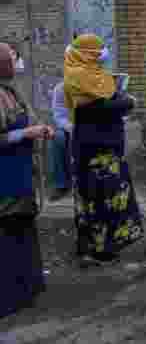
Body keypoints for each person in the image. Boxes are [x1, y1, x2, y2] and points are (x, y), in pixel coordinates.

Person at [64, 34, 144, 266]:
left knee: (109, 198)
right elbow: (99, 107)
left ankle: (103, 247)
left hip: (106, 146)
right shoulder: (78, 76)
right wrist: (127, 102)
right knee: (97, 200)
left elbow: (108, 100)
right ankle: (99, 249)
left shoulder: (95, 75)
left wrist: (121, 98)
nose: (103, 53)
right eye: (99, 50)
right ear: (86, 53)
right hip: (94, 150)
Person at [0, 42, 54, 318]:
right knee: (7, 233)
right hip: (4, 176)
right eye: (11, 57)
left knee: (23, 226)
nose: (16, 61)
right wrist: (25, 133)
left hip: (20, 172)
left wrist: (40, 129)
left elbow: (27, 120)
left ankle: (27, 288)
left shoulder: (11, 90)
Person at [48, 78, 72, 201]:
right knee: (58, 137)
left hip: (91, 127)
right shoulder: (60, 89)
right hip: (68, 127)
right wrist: (71, 127)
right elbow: (58, 115)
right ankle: (61, 185)